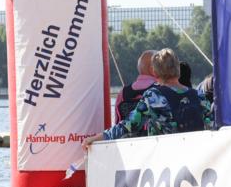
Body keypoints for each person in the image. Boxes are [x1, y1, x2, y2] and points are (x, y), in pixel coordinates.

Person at [83, 48, 213, 149]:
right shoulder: (198, 96)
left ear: (155, 72)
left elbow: (128, 126)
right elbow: (212, 126)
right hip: (197, 159)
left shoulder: (153, 96)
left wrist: (97, 138)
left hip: (166, 161)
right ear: (178, 69)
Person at [114, 50, 156, 123]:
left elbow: (117, 122)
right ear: (153, 69)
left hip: (126, 133)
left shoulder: (122, 93)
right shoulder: (160, 91)